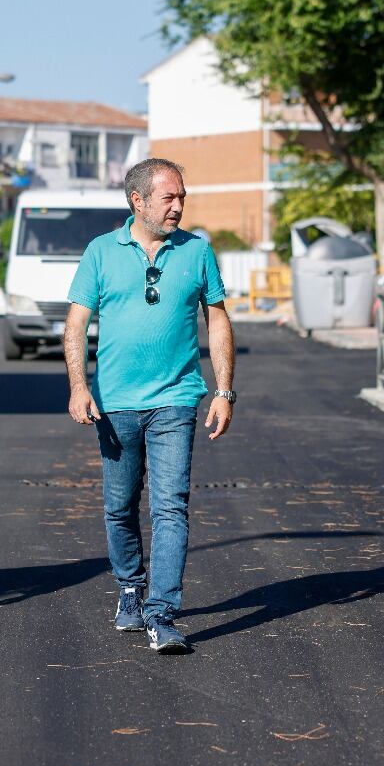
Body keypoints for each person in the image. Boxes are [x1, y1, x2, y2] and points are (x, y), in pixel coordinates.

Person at [64, 157, 235, 655]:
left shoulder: (197, 251)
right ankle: (130, 589)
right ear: (137, 201)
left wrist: (224, 390)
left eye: (182, 196)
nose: (179, 206)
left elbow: (218, 321)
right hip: (116, 405)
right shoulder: (100, 252)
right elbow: (76, 325)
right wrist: (79, 386)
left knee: (170, 506)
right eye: (170, 197)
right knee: (119, 508)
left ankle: (162, 612)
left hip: (176, 401)